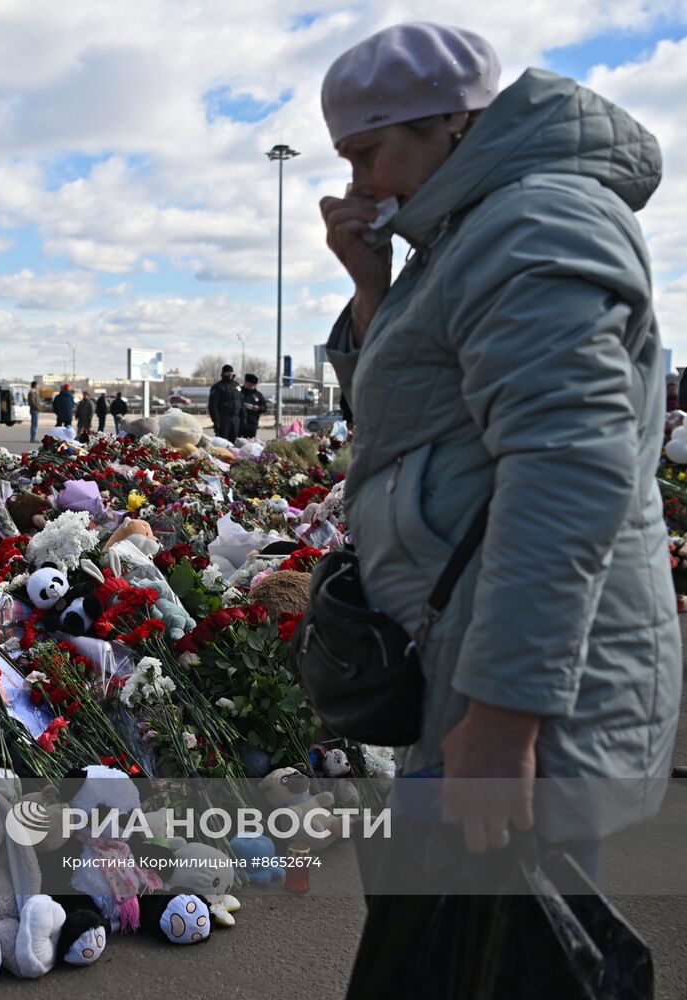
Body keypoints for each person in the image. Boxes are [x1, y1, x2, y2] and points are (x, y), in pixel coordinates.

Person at [318, 23, 677, 985]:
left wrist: (505, 717)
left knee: (500, 955)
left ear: (451, 123)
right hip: (476, 652)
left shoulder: (532, 221)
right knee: (469, 950)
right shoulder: (472, 228)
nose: (358, 183)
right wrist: (369, 290)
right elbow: (413, 422)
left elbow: (571, 466)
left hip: (522, 681)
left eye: (368, 150)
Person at [208, 365, 242, 440]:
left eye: (231, 372)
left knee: (234, 442)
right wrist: (216, 421)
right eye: (227, 373)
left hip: (235, 419)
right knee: (223, 442)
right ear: (223, 373)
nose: (229, 374)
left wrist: (243, 418)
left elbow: (241, 402)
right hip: (223, 419)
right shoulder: (218, 387)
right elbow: (212, 406)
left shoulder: (236, 386)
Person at [238, 374, 267, 438]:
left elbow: (264, 407)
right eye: (249, 384)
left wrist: (259, 408)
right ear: (245, 382)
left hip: (252, 423)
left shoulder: (258, 395)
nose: (251, 386)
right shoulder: (238, 392)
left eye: (253, 385)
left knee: (250, 443)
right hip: (239, 422)